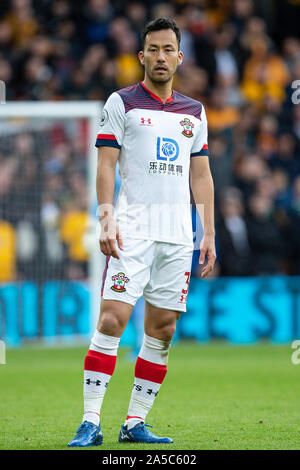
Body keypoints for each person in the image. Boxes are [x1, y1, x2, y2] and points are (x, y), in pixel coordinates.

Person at [68, 17, 216, 447]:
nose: (161, 57)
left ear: (180, 57)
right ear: (141, 56)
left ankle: (134, 423)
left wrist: (207, 232)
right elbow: (106, 164)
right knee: (112, 320)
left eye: (168, 49)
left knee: (163, 330)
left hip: (176, 234)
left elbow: (201, 175)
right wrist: (106, 215)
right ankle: (90, 422)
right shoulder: (122, 102)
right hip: (131, 229)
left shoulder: (194, 112)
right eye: (153, 49)